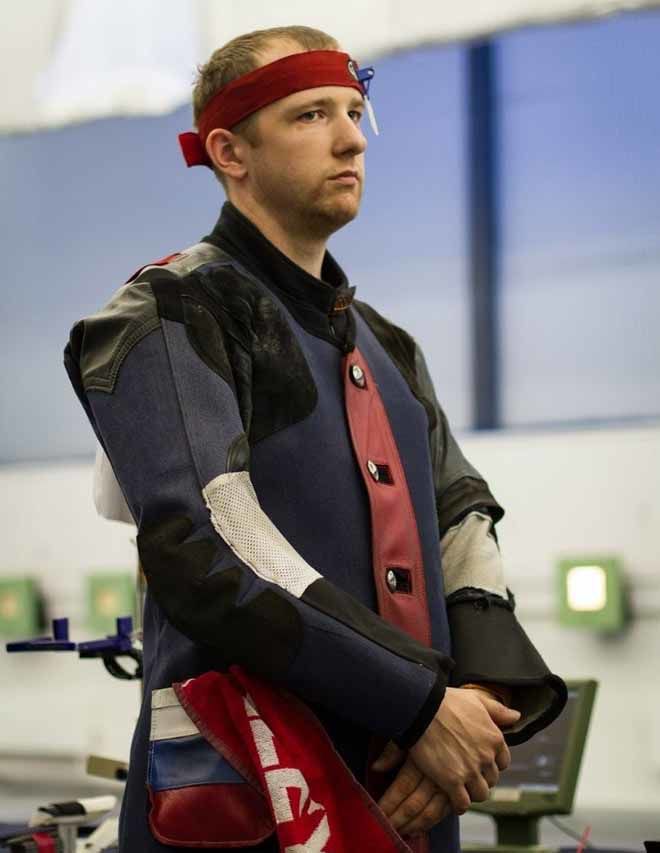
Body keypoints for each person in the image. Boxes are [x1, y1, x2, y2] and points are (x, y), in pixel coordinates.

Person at [64, 25, 566, 853]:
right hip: (250, 802)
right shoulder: (166, 312)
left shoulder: (391, 345)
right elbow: (210, 542)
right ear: (230, 152)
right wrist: (419, 703)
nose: (351, 139)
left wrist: (475, 704)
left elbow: (462, 517)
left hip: (413, 788)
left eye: (355, 112)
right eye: (310, 115)